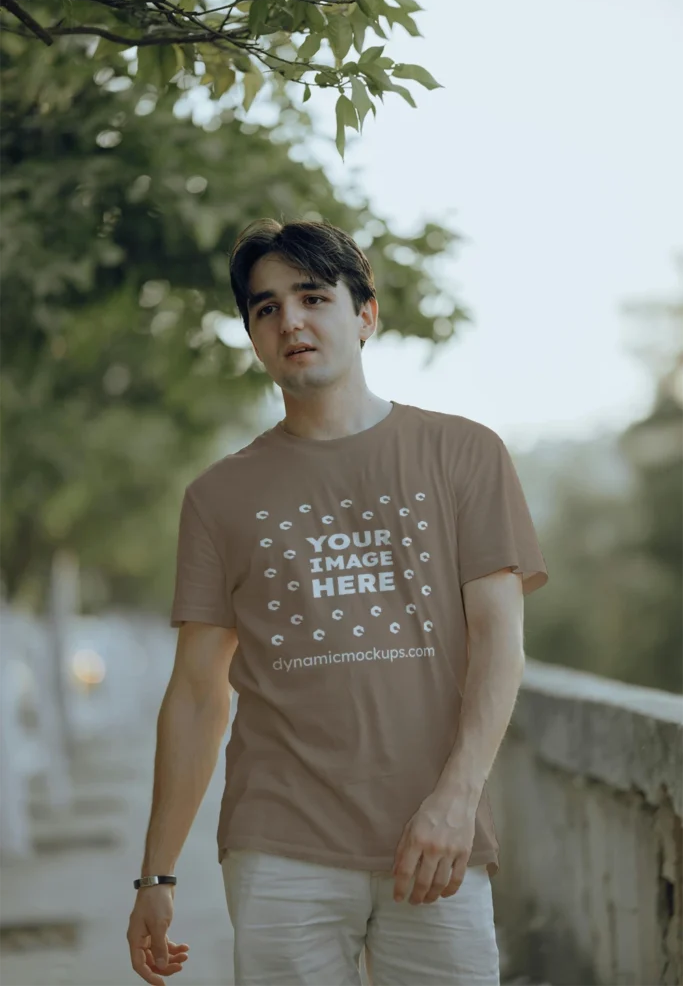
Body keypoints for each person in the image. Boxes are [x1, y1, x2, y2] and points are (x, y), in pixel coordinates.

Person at [127, 217, 549, 986]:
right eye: (265, 307)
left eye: (312, 296)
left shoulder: (463, 453)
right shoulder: (218, 497)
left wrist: (456, 800)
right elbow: (195, 694)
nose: (289, 320)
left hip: (435, 836)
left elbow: (498, 644)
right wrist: (155, 876)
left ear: (364, 314)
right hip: (278, 844)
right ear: (252, 334)